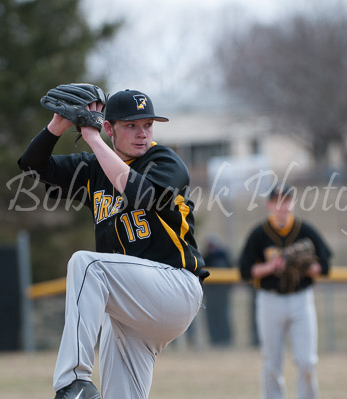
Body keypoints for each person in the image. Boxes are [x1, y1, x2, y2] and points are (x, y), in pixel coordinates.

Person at [18, 88, 208, 399]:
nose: (142, 133)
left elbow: (139, 194)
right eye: (131, 125)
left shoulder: (165, 161)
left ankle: (73, 380)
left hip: (175, 288)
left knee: (87, 264)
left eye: (147, 125)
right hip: (129, 308)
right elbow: (32, 167)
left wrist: (92, 138)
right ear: (110, 127)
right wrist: (57, 126)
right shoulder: (94, 170)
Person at [239, 185, 331, 399]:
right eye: (277, 201)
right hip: (270, 301)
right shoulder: (259, 234)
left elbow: (324, 267)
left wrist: (301, 266)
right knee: (272, 364)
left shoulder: (305, 231)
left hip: (301, 300)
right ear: (270, 205)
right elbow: (245, 271)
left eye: (287, 201)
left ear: (293, 203)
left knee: (307, 361)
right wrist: (272, 267)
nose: (282, 206)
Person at [202, 234, 233, 347]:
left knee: (223, 316)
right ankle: (214, 340)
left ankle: (225, 339)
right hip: (211, 293)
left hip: (221, 292)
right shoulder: (205, 258)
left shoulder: (222, 256)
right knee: (212, 317)